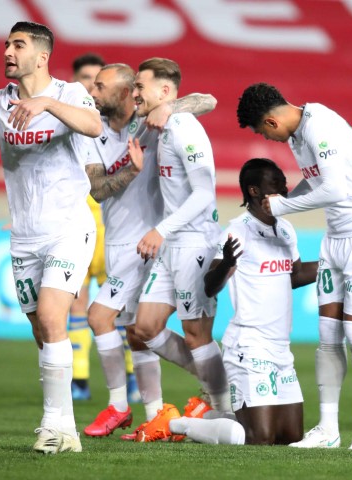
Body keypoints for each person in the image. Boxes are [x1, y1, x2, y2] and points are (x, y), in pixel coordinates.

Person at [0, 21, 102, 454]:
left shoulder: (70, 92)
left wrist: (46, 103)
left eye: (18, 45)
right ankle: (67, 428)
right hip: (24, 236)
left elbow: (94, 125)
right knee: (42, 331)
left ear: (41, 56)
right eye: (6, 44)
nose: (7, 52)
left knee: (54, 319)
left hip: (68, 228)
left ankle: (53, 425)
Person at [236, 83, 352, 450]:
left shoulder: (320, 126)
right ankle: (328, 430)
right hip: (335, 238)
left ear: (271, 121)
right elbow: (317, 181)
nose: (267, 139)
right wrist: (280, 204)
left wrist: (281, 207)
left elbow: (336, 190)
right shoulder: (298, 136)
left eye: (263, 132)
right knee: (327, 335)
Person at [81, 63, 219, 439]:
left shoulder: (154, 122)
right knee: (137, 333)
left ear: (126, 91)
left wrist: (169, 106)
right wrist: (130, 170)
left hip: (149, 242)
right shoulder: (93, 131)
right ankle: (157, 413)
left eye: (100, 86)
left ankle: (119, 405)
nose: (93, 93)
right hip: (119, 241)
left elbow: (208, 100)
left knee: (100, 317)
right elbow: (97, 190)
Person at [172, 158, 317, 445]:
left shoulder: (285, 229)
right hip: (248, 346)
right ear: (254, 190)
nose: (284, 189)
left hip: (280, 349)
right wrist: (227, 263)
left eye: (284, 183)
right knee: (257, 438)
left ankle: (211, 416)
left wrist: (334, 265)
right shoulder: (237, 230)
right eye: (275, 184)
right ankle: (183, 424)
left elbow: (296, 274)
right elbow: (209, 286)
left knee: (289, 437)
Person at [130, 58, 235, 442]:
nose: (135, 93)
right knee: (143, 328)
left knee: (196, 334)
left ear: (164, 91)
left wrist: (161, 229)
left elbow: (205, 193)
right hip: (172, 242)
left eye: (140, 86)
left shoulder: (185, 128)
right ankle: (218, 382)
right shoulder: (156, 125)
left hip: (194, 242)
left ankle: (224, 409)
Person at [67, 52, 109, 402]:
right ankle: (79, 378)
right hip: (76, 222)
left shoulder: (117, 123)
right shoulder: (64, 120)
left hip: (112, 226)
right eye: (84, 78)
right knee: (76, 304)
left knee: (118, 307)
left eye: (97, 81)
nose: (91, 86)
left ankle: (131, 377)